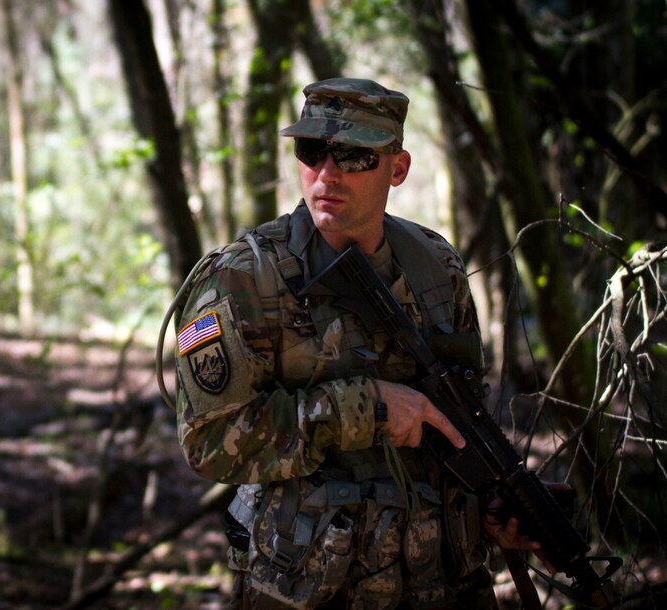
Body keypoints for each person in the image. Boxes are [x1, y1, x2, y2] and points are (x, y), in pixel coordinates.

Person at [166, 77, 544, 609]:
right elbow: (207, 442)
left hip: (441, 585)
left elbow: (459, 425)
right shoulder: (242, 279)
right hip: (311, 590)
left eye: (353, 155)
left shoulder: (437, 267)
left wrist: (493, 509)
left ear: (398, 168)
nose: (327, 173)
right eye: (312, 150)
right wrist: (361, 410)